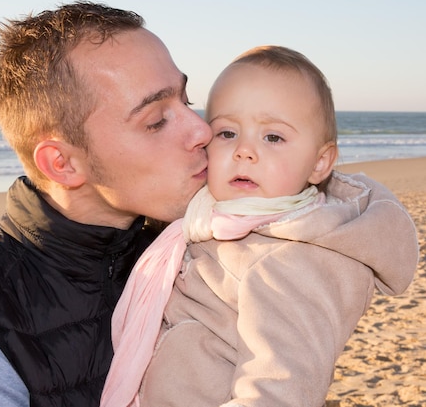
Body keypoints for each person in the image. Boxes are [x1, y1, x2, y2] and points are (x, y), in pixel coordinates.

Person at [0, 1, 213, 407]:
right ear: (62, 163)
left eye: (186, 99)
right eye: (155, 120)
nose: (201, 129)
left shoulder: (207, 244)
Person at [101, 45, 419, 407]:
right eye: (227, 133)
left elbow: (279, 393)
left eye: (273, 137)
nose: (244, 151)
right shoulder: (209, 220)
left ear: (320, 163)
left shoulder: (288, 264)